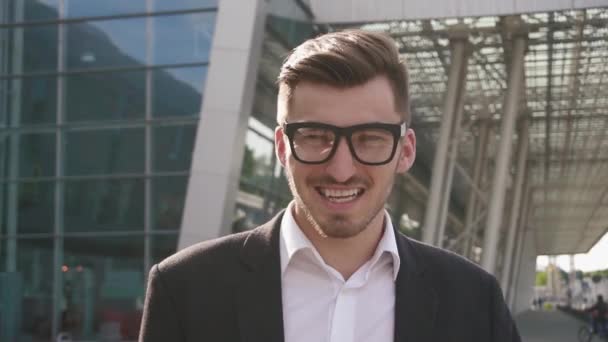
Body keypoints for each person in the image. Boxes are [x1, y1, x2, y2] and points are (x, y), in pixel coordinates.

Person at [139, 29, 521, 342]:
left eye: (370, 138)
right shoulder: (185, 290)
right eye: (315, 136)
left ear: (405, 152)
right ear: (281, 147)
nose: (341, 170)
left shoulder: (475, 300)